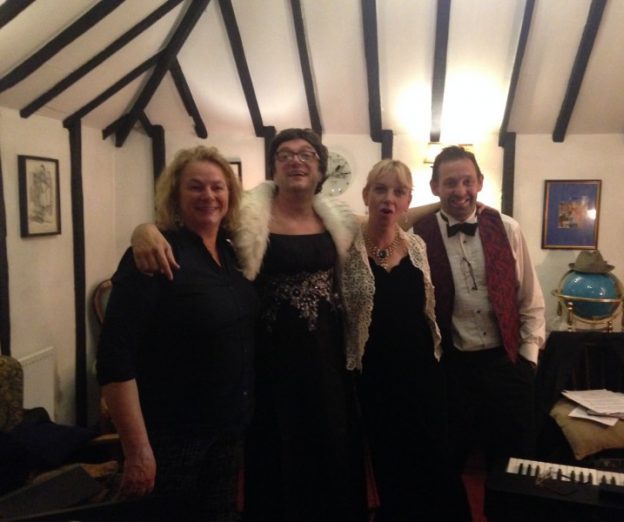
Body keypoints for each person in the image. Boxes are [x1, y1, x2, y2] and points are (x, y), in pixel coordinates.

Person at [131, 129, 366, 522]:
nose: (295, 160)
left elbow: (389, 218)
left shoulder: (339, 219)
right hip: (269, 360)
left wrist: (449, 205)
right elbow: (191, 225)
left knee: (331, 446)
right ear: (273, 167)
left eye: (306, 154)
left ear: (320, 168)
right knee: (277, 451)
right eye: (285, 154)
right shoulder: (245, 217)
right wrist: (144, 230)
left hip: (327, 359)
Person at [96, 145, 259, 521]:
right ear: (176, 194)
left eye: (217, 187)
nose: (208, 196)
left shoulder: (232, 254)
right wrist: (137, 450)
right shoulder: (154, 254)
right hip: (174, 435)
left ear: (230, 195)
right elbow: (114, 357)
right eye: (195, 187)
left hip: (228, 427)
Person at [341, 160, 471, 522]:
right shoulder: (346, 245)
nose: (389, 199)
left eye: (399, 192)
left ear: (408, 200)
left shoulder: (416, 246)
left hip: (423, 376)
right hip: (374, 381)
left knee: (436, 463)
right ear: (366, 195)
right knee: (391, 468)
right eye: (380, 189)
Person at [413, 145, 545, 475]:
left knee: (514, 469)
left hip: (507, 365)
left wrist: (527, 361)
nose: (460, 191)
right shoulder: (417, 236)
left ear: (480, 183)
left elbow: (530, 299)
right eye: (450, 182)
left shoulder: (508, 228)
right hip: (453, 371)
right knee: (446, 465)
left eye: (467, 181)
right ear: (434, 187)